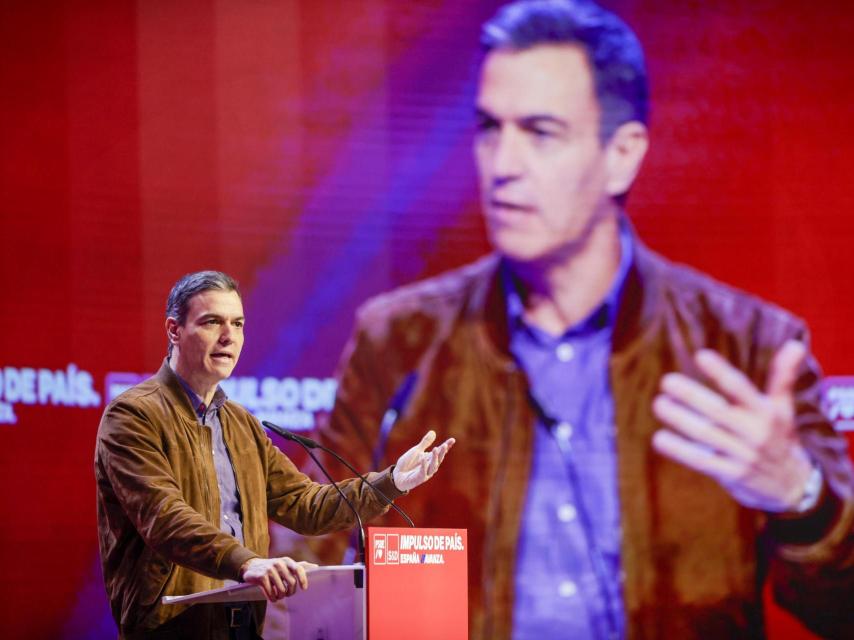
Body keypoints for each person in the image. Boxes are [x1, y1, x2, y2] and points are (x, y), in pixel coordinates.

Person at [314, 1, 854, 638]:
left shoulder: (748, 347)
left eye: (541, 132)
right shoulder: (397, 340)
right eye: (490, 128)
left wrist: (802, 498)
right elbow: (302, 571)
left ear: (622, 155)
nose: (502, 165)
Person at [94, 270, 454, 639]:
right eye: (211, 322)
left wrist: (391, 482)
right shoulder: (133, 415)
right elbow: (164, 518)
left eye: (237, 324)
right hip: (172, 627)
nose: (228, 337)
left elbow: (304, 503)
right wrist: (247, 563)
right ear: (174, 330)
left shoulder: (242, 425)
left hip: (244, 625)